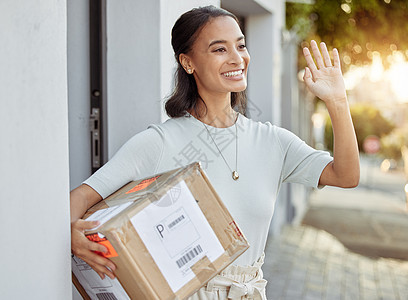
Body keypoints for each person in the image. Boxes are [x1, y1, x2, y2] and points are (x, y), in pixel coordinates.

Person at [71, 5, 360, 299]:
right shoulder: (158, 142)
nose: (237, 58)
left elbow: (346, 175)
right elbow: (79, 199)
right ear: (188, 62)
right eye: (219, 49)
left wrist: (337, 101)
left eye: (241, 45)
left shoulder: (273, 141)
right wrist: (72, 235)